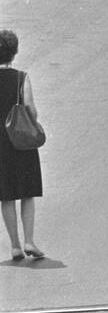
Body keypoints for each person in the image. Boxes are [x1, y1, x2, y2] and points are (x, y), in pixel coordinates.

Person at [0, 29, 44, 262]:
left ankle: (15, 246)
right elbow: (30, 108)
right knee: (27, 192)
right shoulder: (21, 77)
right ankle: (29, 240)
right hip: (20, 140)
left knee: (6, 195)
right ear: (14, 53)